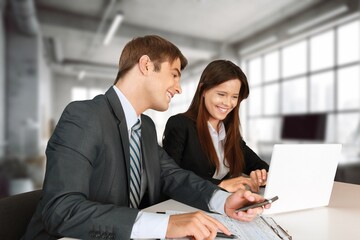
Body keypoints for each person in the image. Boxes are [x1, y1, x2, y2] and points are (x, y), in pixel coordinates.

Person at [22, 36, 269, 240]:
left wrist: (224, 201)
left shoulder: (146, 127)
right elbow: (60, 210)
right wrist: (165, 226)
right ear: (146, 65)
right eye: (174, 74)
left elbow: (173, 176)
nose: (179, 87)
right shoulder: (84, 116)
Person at [163, 60, 269, 193]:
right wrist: (221, 184)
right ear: (203, 90)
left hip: (221, 205)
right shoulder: (180, 124)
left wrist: (262, 175)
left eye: (234, 97)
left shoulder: (229, 131)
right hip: (184, 205)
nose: (228, 103)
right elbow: (171, 177)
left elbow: (257, 165)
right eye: (221, 94)